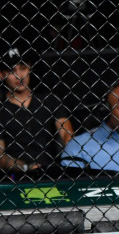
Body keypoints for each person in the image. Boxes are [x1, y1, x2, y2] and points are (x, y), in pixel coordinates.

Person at [0, 47, 74, 178]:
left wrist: (70, 160)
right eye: (12, 71)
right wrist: (25, 167)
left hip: (52, 170)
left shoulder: (49, 100)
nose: (19, 76)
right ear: (2, 75)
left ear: (29, 68)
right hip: (15, 176)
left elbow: (67, 135)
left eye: (23, 68)